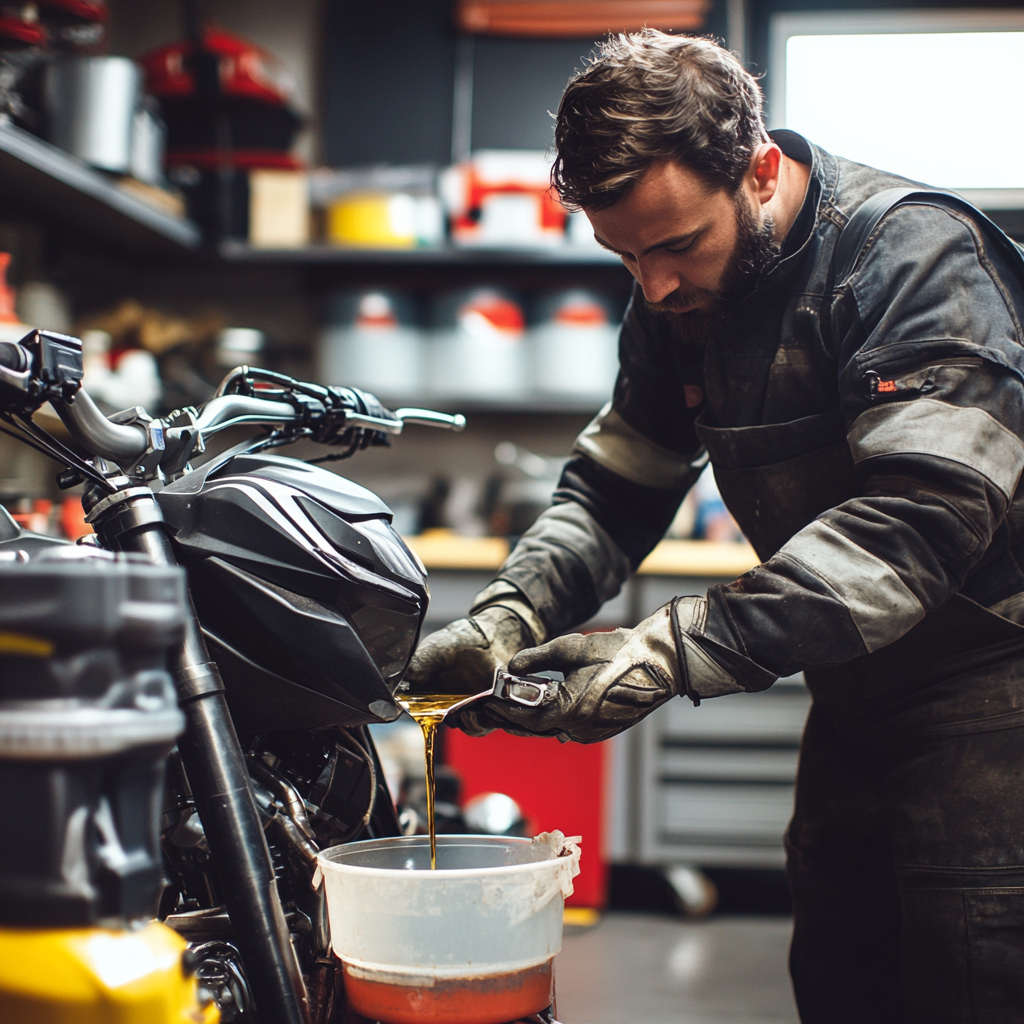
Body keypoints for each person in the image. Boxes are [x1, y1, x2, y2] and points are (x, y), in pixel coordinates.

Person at [406, 29, 1024, 1024]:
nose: (651, 286)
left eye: (677, 245)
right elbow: (620, 483)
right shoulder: (674, 298)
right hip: (856, 687)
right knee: (841, 975)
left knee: (970, 981)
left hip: (996, 691)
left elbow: (917, 524)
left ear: (761, 168)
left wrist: (671, 646)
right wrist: (507, 617)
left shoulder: (912, 256)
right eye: (624, 254)